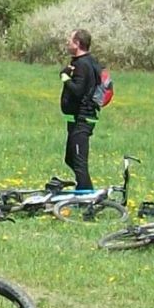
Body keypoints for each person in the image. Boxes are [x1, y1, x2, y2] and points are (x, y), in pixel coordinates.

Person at [59, 29, 103, 193]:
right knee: (70, 158)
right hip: (76, 119)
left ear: (77, 43)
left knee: (79, 163)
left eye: (70, 40)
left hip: (82, 119)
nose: (67, 43)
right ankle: (86, 193)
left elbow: (78, 91)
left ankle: (87, 198)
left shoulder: (83, 64)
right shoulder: (86, 62)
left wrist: (65, 77)